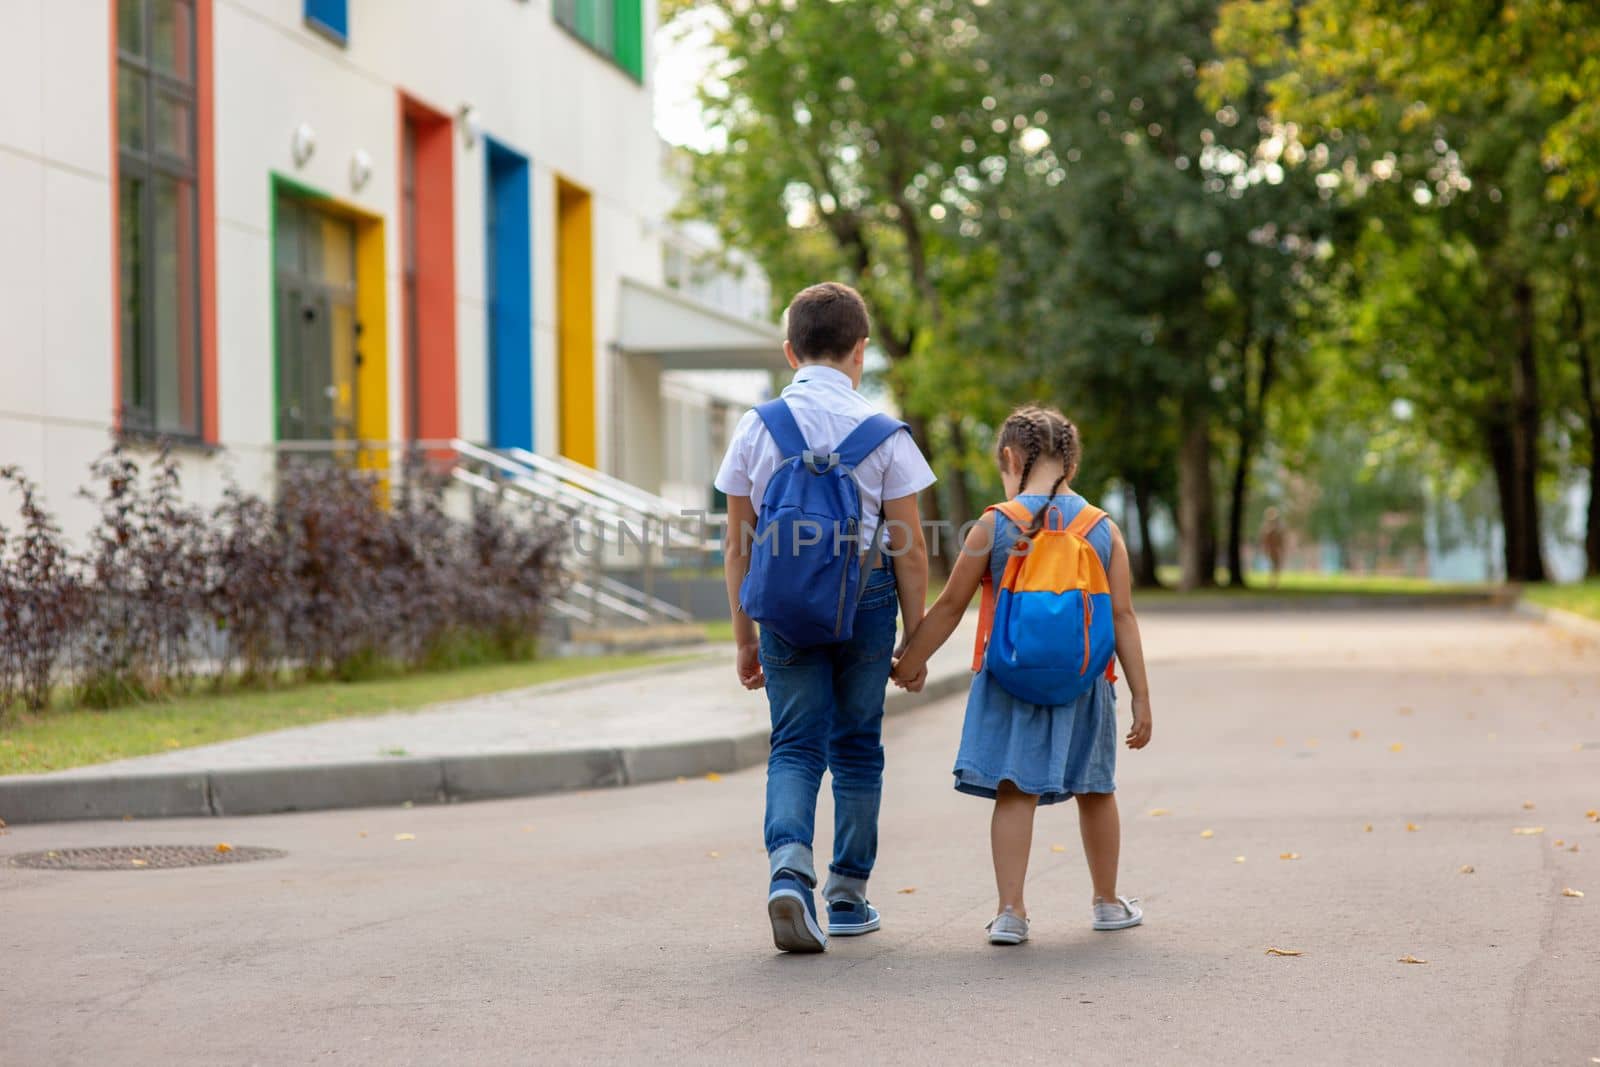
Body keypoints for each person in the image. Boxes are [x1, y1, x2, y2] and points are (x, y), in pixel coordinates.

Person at [715, 281, 934, 954]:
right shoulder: (885, 435)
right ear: (861, 353)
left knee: (795, 743)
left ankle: (789, 867)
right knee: (858, 745)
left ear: (790, 352)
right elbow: (912, 547)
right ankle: (847, 895)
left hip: (781, 601)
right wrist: (916, 640)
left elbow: (738, 542)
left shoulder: (758, 427)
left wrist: (745, 635)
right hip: (866, 601)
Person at [890, 404, 1153, 946]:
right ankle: (1106, 902)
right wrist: (1141, 697)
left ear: (1010, 458)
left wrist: (910, 660)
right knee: (1096, 788)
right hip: (1086, 683)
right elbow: (1123, 616)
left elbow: (949, 606)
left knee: (1014, 790)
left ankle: (1011, 911)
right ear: (1071, 465)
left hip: (1008, 678)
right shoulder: (1101, 528)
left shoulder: (994, 524)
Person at [1259, 507, 1287, 588]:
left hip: (1275, 549)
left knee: (1276, 566)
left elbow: (1281, 539)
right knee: (1274, 566)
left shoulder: (1277, 528)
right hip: (1272, 549)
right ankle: (1273, 583)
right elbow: (1265, 540)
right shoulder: (1268, 528)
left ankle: (1274, 582)